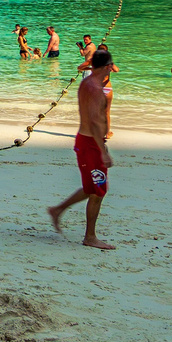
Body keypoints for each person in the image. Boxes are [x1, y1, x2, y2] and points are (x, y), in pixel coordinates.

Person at [48, 48, 117, 250]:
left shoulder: (87, 82)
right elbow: (95, 122)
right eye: (109, 66)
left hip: (86, 141)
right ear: (104, 67)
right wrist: (103, 150)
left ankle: (58, 210)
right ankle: (90, 236)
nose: (110, 70)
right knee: (98, 191)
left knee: (92, 188)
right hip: (90, 144)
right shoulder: (95, 88)